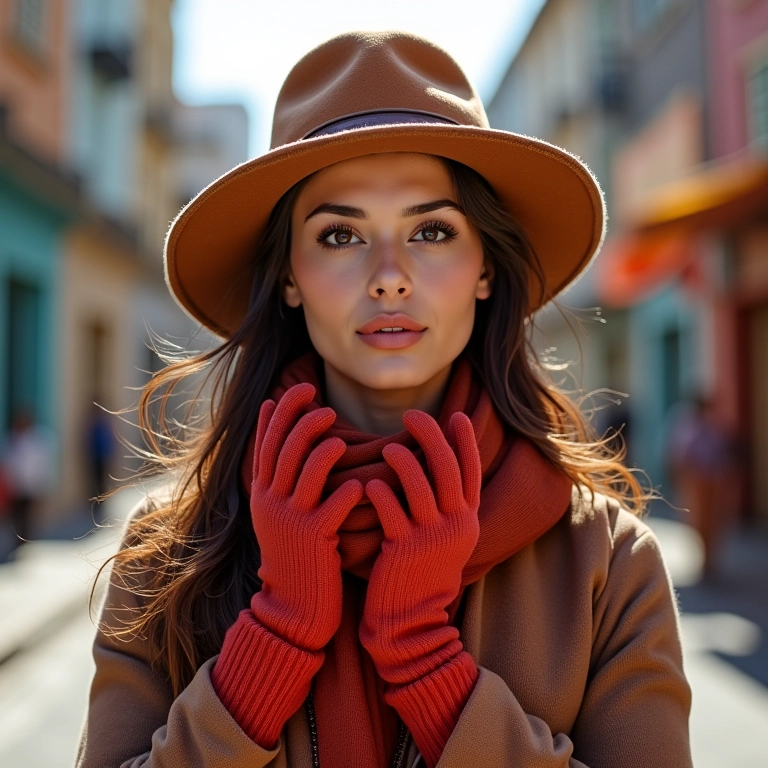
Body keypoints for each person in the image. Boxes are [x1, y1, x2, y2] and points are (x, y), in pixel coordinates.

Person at [76, 32, 692, 768]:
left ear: (486, 267)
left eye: (432, 230)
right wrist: (274, 638)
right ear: (290, 279)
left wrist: (430, 667)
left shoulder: (607, 562)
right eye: (339, 235)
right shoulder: (166, 551)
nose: (390, 276)